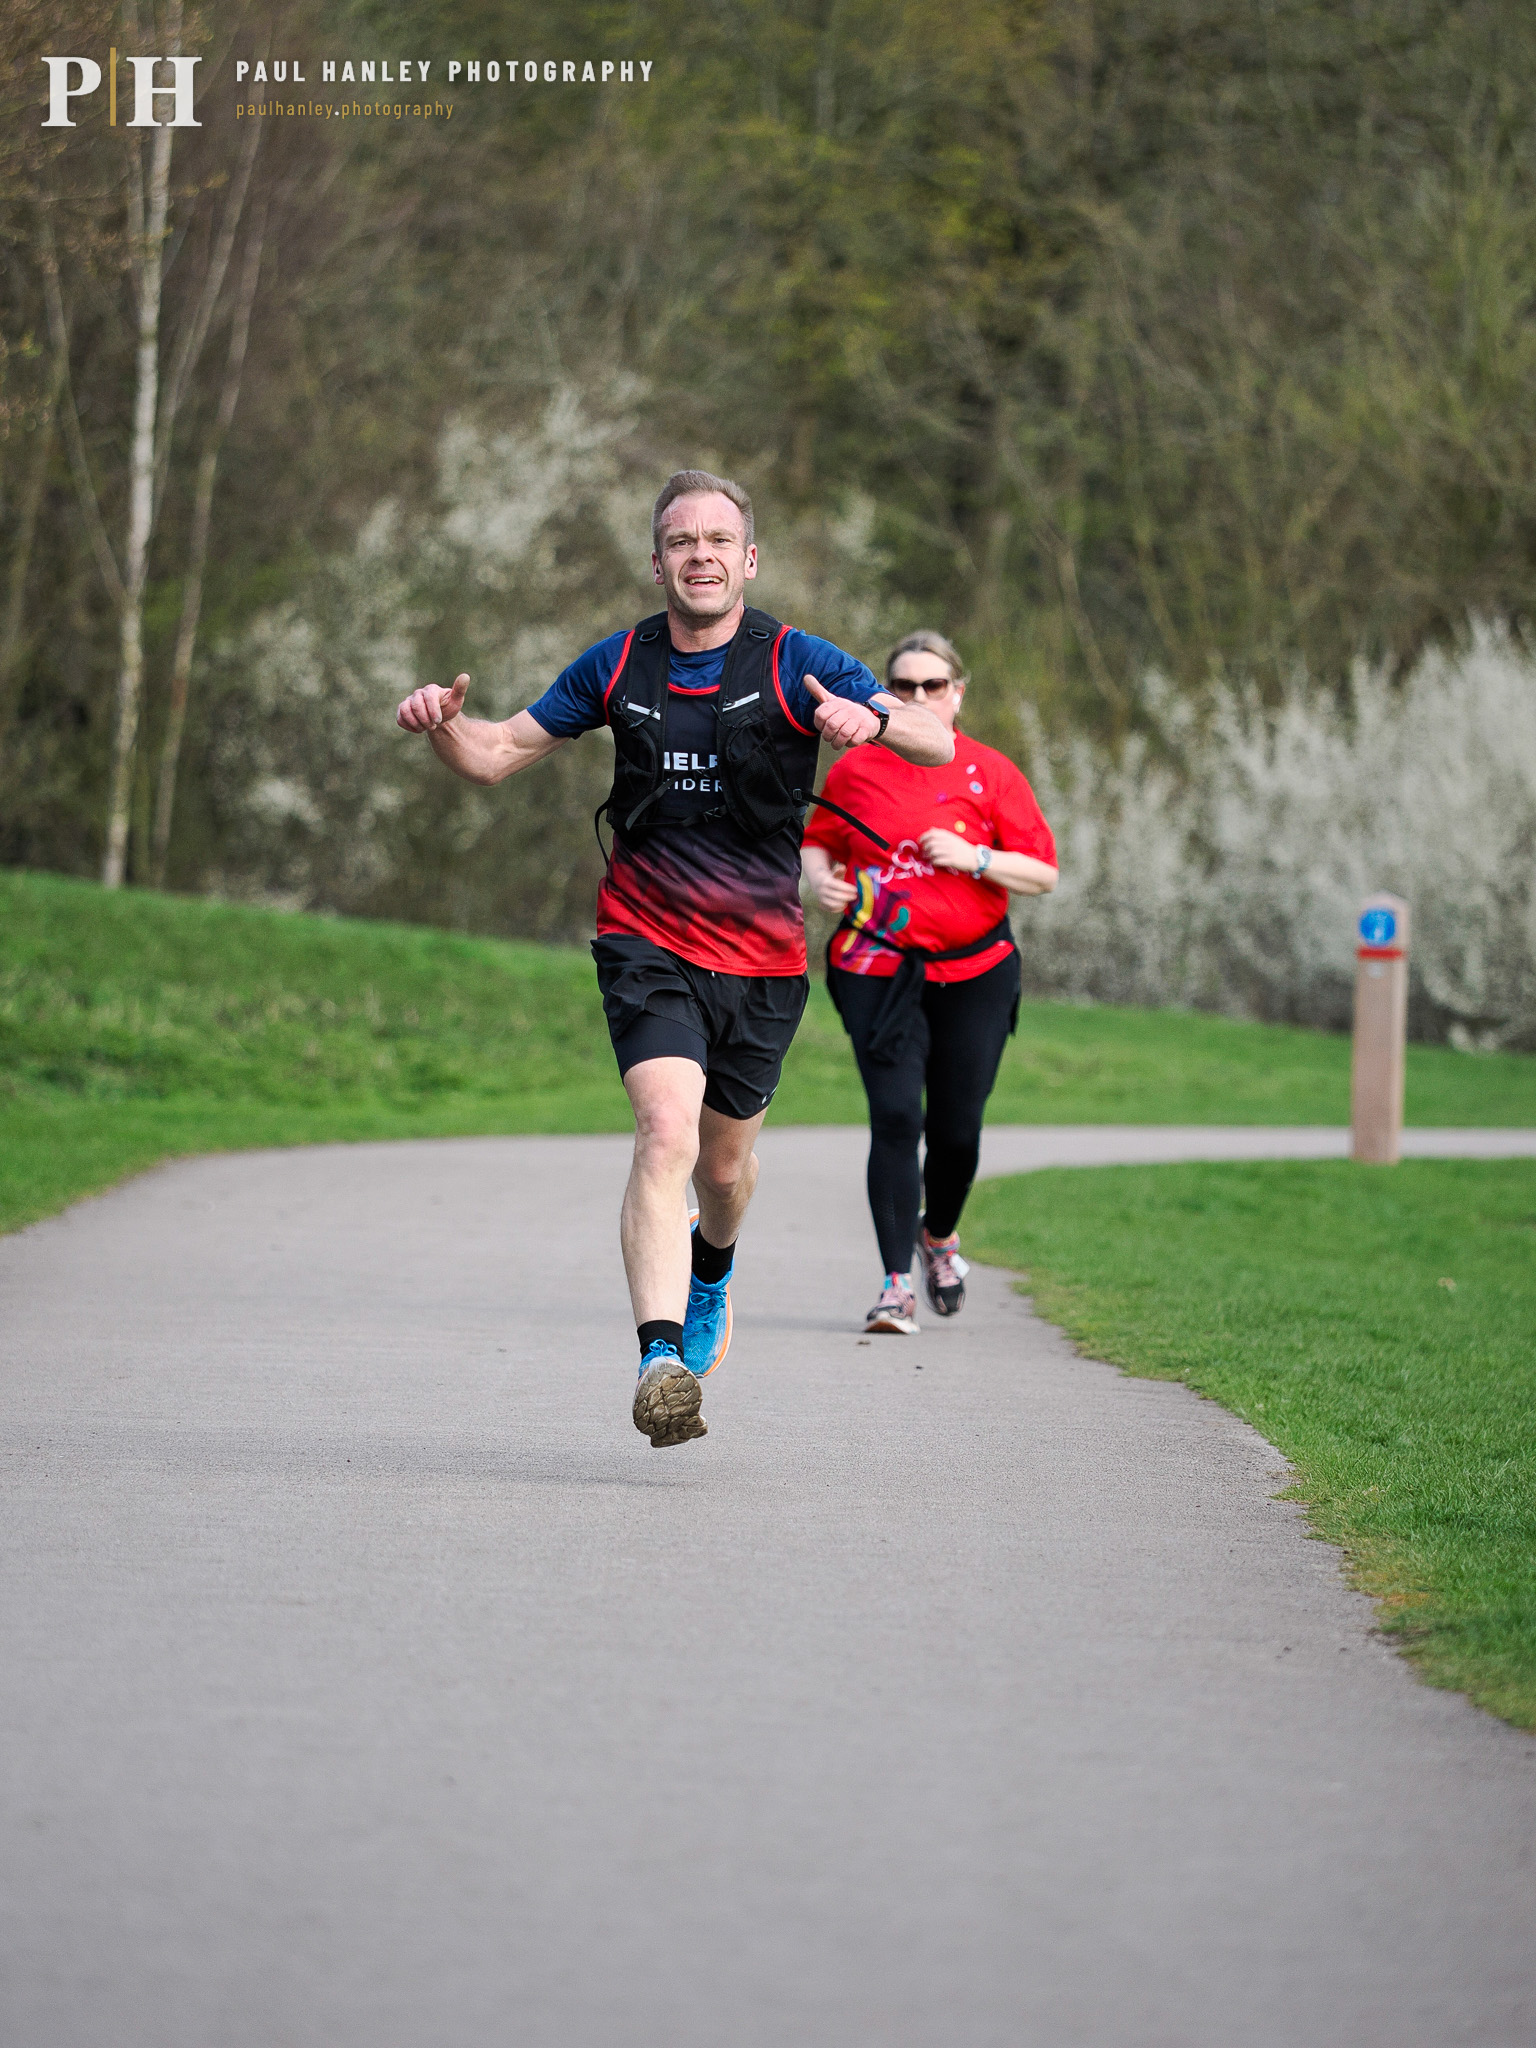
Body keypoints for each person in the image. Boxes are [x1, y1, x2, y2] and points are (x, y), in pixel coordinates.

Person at [395, 472, 952, 1445]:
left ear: (747, 559)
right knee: (665, 1133)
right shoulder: (616, 665)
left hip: (765, 958)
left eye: (717, 538)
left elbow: (935, 742)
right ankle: (659, 1360)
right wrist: (439, 720)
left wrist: (873, 718)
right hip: (644, 938)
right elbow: (492, 754)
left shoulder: (797, 660)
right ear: (657, 562)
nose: (699, 553)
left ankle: (712, 1267)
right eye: (680, 540)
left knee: (725, 1171)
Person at [800, 630, 1057, 1335]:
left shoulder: (991, 773)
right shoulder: (857, 769)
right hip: (877, 967)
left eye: (932, 686)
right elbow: (819, 837)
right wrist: (820, 878)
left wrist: (977, 858)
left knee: (955, 1131)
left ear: (957, 693)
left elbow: (1043, 872)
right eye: (903, 687)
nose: (917, 698)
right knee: (895, 1118)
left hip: (976, 971)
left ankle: (938, 1237)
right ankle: (893, 1288)